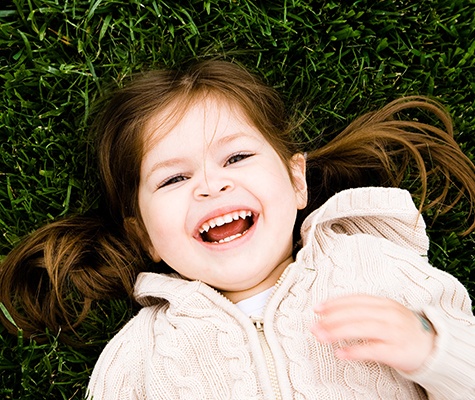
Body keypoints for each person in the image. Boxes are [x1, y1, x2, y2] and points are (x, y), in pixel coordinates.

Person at [1, 60, 475, 399]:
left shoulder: (374, 268)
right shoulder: (139, 358)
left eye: (236, 157)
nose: (211, 184)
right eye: (174, 178)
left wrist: (433, 351)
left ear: (295, 181)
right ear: (144, 236)